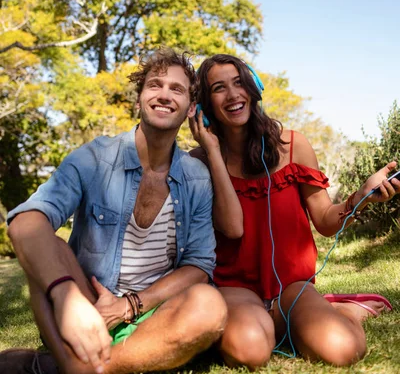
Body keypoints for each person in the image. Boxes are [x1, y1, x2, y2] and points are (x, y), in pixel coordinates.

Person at [1, 48, 227, 374]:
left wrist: (128, 306)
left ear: (191, 108)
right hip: (82, 304)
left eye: (176, 89)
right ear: (139, 100)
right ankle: (92, 357)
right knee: (40, 245)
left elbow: (199, 264)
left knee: (209, 306)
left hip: (149, 313)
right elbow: (25, 221)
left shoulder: (196, 177)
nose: (164, 95)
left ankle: (69, 367)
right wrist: (68, 297)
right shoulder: (94, 158)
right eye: (155, 85)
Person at [189, 53, 400, 369]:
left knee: (343, 350)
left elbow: (326, 221)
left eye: (238, 83)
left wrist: (362, 197)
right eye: (219, 88)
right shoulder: (198, 162)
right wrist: (213, 152)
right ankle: (276, 325)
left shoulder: (293, 146)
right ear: (205, 106)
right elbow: (230, 227)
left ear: (253, 88)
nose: (233, 95)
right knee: (248, 352)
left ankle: (348, 311)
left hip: (292, 287)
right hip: (234, 288)